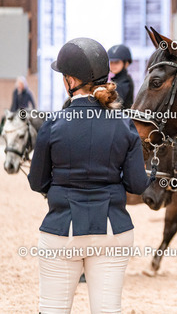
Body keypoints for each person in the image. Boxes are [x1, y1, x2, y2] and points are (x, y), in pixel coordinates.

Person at [28, 37, 150, 313]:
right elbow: (136, 184)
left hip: (63, 229)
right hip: (112, 229)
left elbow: (37, 182)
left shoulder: (53, 124)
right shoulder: (123, 125)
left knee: (53, 308)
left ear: (71, 81)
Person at [108, 44, 135, 109]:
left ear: (126, 63)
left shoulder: (124, 82)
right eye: (111, 62)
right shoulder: (118, 79)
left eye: (116, 62)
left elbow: (114, 106)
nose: (113, 65)